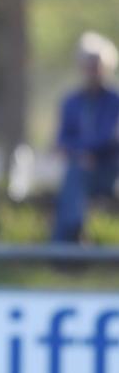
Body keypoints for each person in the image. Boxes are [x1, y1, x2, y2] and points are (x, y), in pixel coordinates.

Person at [52, 31, 119, 243]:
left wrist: (87, 153)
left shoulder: (114, 100)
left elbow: (110, 136)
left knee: (77, 174)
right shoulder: (71, 102)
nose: (93, 70)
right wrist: (82, 154)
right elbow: (62, 140)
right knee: (76, 174)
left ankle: (66, 244)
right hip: (82, 169)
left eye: (97, 65)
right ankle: (68, 244)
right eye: (89, 65)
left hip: (110, 168)